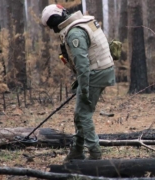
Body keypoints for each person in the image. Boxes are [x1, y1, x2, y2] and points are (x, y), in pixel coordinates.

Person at [41, 4, 115, 161]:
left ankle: (95, 154)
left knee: (83, 114)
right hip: (101, 70)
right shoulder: (83, 22)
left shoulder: (74, 33)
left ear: (54, 22)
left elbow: (82, 64)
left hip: (95, 73)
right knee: (79, 113)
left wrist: (84, 88)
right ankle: (77, 151)